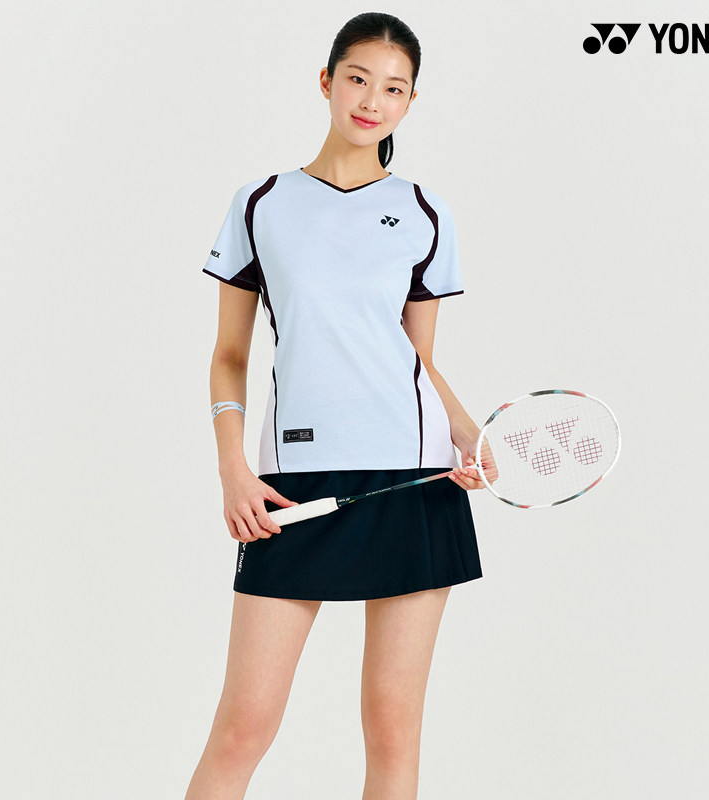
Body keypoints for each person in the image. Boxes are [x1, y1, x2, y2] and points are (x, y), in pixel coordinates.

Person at [185, 12, 486, 800]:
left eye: (394, 89)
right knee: (244, 726)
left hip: (415, 479)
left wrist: (466, 434)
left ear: (411, 102)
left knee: (392, 727)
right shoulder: (261, 202)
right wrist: (232, 469)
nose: (372, 100)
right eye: (358, 79)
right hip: (294, 485)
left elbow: (417, 358)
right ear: (326, 81)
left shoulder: (425, 211)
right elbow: (228, 354)